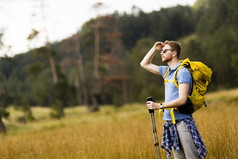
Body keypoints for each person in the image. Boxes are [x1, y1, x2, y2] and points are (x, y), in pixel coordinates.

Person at [140, 41, 207, 159]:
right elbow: (144, 64)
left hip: (183, 123)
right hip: (170, 124)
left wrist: (159, 106)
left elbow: (182, 100)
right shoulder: (166, 72)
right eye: (161, 51)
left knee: (192, 157)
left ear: (174, 53)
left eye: (164, 51)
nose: (162, 53)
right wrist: (154, 48)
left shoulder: (182, 72)